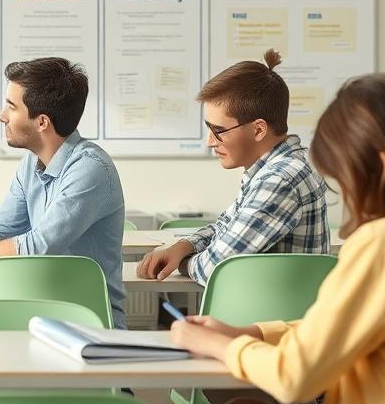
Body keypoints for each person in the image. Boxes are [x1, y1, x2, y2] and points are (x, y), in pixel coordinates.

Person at [170, 73, 385, 404]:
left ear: (380, 166)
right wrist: (254, 331)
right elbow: (348, 327)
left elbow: (297, 377)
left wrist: (222, 345)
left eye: (344, 176)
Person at [0, 57, 127, 328]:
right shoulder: (31, 163)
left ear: (42, 122)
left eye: (11, 106)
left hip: (88, 322)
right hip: (33, 315)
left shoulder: (91, 169)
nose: (2, 116)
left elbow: (38, 247)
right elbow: (0, 230)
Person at [137, 49, 330, 285]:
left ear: (258, 129)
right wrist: (183, 246)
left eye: (218, 131)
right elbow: (226, 226)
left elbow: (217, 268)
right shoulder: (270, 170)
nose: (209, 142)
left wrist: (183, 261)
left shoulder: (280, 179)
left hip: (270, 319)